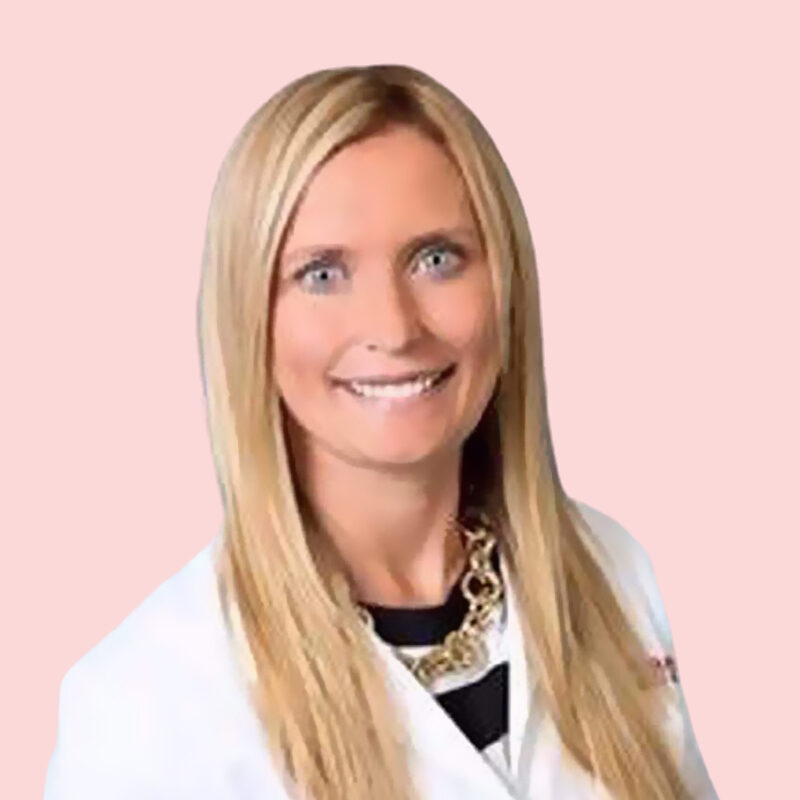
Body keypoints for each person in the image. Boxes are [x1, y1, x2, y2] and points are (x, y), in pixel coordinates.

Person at [43, 64, 718, 800]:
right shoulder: (141, 705)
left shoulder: (612, 573)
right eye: (323, 274)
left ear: (505, 285)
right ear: (250, 317)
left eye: (436, 259)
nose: (394, 328)